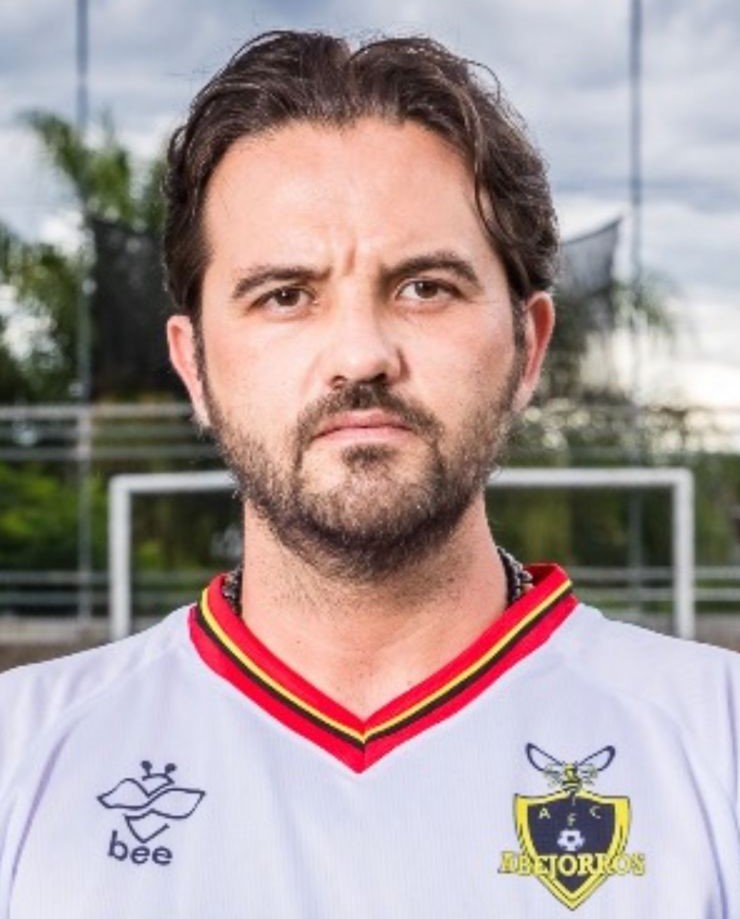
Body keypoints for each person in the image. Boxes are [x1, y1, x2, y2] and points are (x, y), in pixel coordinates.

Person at [0, 30, 738, 917]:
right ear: (193, 364)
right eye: (285, 294)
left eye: (425, 287)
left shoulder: (719, 739)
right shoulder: (21, 754)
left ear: (529, 348)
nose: (360, 354)